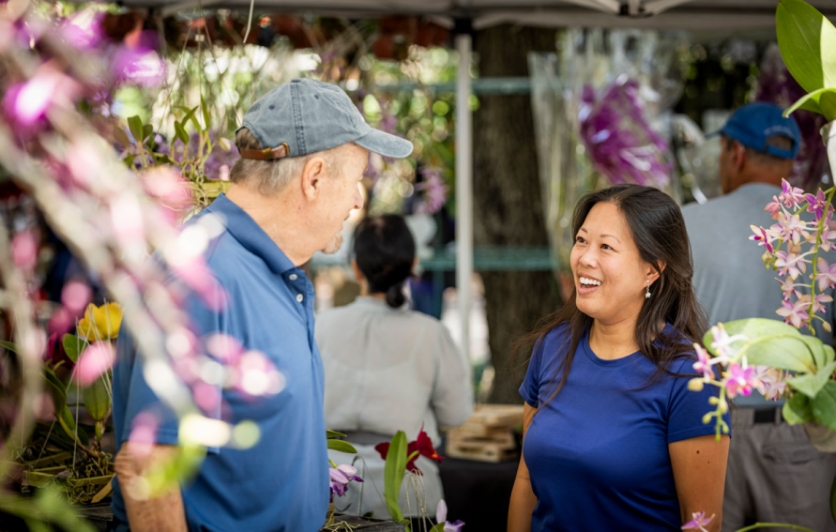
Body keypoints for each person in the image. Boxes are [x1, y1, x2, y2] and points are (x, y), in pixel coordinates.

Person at [110, 78, 413, 532]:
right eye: (354, 180)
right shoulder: (202, 277)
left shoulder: (266, 269)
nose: (356, 199)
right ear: (313, 178)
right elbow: (147, 466)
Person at [508, 184, 730, 532]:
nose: (584, 258)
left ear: (652, 270)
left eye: (606, 247)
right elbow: (525, 481)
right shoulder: (552, 347)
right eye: (581, 240)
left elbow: (702, 524)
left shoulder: (692, 377)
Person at [682, 102, 836, 532]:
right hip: (801, 434)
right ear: (791, 159)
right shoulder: (825, 228)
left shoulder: (683, 224)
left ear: (735, 154)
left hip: (706, 427)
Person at [316, 214, 473, 521]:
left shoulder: (321, 326)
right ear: (414, 263)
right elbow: (457, 414)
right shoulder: (431, 332)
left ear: (355, 266)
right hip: (409, 495)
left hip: (331, 489)